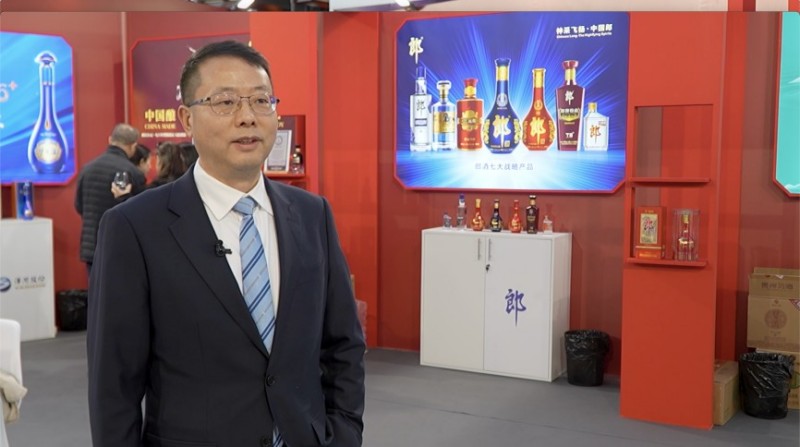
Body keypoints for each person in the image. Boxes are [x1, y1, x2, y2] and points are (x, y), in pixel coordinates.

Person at [87, 40, 365, 447]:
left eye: (261, 101)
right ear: (187, 118)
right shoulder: (134, 226)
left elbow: (342, 344)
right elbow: (114, 383)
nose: (247, 117)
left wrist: (344, 433)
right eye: (225, 102)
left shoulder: (311, 215)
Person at [74, 123, 146, 275]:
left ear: (110, 140)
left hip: (91, 245)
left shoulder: (87, 168)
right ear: (133, 146)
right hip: (120, 247)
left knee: (94, 288)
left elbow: (79, 206)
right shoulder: (133, 173)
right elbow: (139, 213)